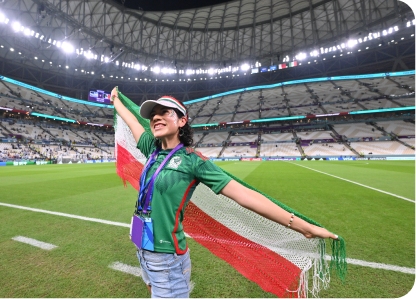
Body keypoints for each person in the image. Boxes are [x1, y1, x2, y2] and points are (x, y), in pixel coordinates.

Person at [111, 87, 338, 298]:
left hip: (166, 258)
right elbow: (132, 121)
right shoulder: (151, 149)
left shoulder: (193, 161)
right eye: (153, 115)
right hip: (142, 248)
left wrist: (302, 226)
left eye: (164, 112)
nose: (156, 117)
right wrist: (116, 101)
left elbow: (244, 195)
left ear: (182, 120)